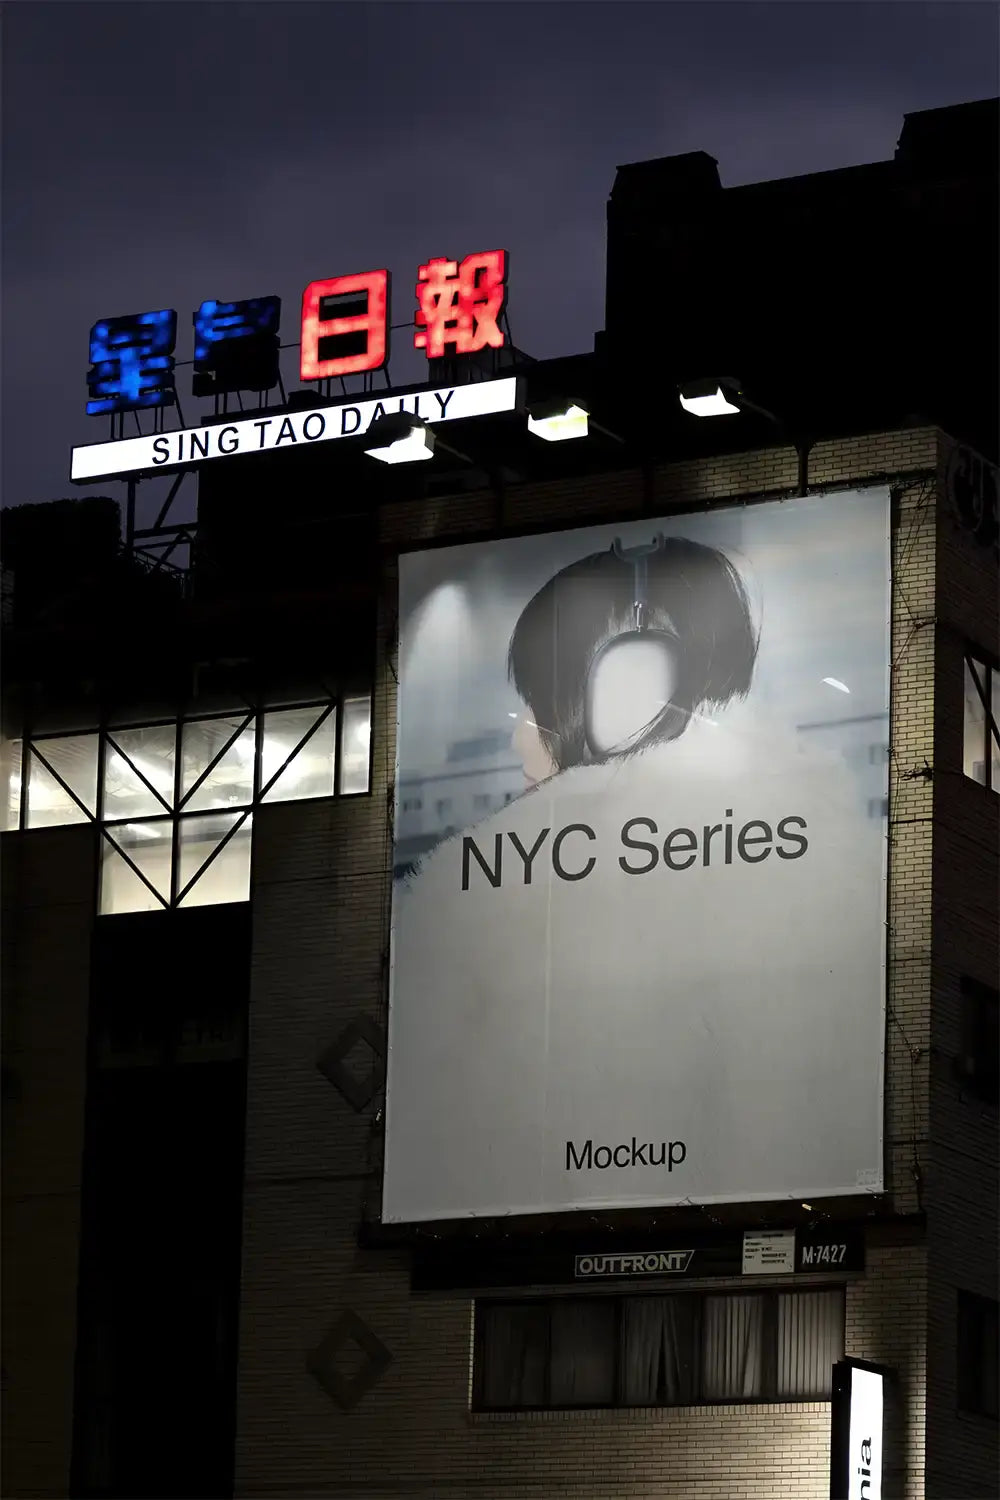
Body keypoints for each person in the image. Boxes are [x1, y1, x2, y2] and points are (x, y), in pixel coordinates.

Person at [383, 533, 885, 1226]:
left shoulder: (475, 912)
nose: (517, 738)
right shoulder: (843, 868)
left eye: (540, 706)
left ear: (632, 690)